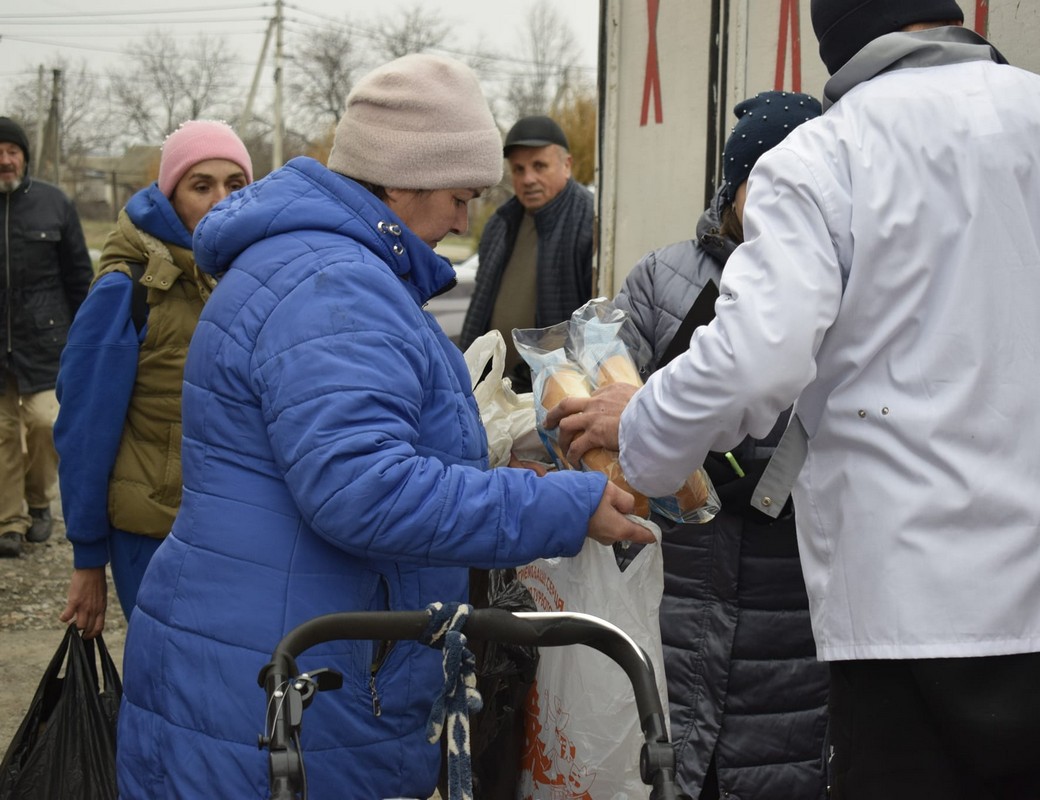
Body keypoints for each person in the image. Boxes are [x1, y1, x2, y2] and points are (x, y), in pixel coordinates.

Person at [546, 0, 1040, 797]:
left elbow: (756, 358)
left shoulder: (825, 156)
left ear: (838, 44)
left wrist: (644, 429)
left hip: (914, 609)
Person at [114, 54, 653, 800]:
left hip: (266, 649)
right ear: (404, 176)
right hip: (289, 675)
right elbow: (362, 490)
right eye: (462, 195)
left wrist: (499, 475)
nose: (467, 218)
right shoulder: (333, 285)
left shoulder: (313, 265)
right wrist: (556, 506)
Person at [615, 90, 828, 799]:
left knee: (781, 760)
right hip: (680, 577)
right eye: (760, 182)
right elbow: (612, 397)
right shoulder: (660, 278)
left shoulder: (842, 284)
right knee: (670, 756)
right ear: (731, 185)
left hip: (791, 594)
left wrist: (757, 473)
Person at [55, 120, 253, 639]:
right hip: (152, 531)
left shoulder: (249, 276)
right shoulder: (128, 288)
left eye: (236, 185)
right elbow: (84, 427)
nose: (221, 199)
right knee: (168, 684)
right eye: (201, 185)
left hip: (236, 524)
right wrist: (87, 557)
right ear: (171, 196)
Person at [0, 117, 93, 559]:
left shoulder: (54, 204)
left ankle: (39, 504)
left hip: (46, 341)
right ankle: (8, 521)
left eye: (12, 150)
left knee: (44, 424)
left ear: (24, 155)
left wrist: (85, 336)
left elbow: (79, 276)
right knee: (1, 433)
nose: (4, 159)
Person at [458, 114, 594, 392]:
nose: (528, 178)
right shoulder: (501, 223)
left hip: (553, 394)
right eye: (518, 169)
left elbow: (596, 322)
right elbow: (479, 308)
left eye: (539, 166)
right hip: (490, 389)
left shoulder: (589, 219)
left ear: (566, 166)